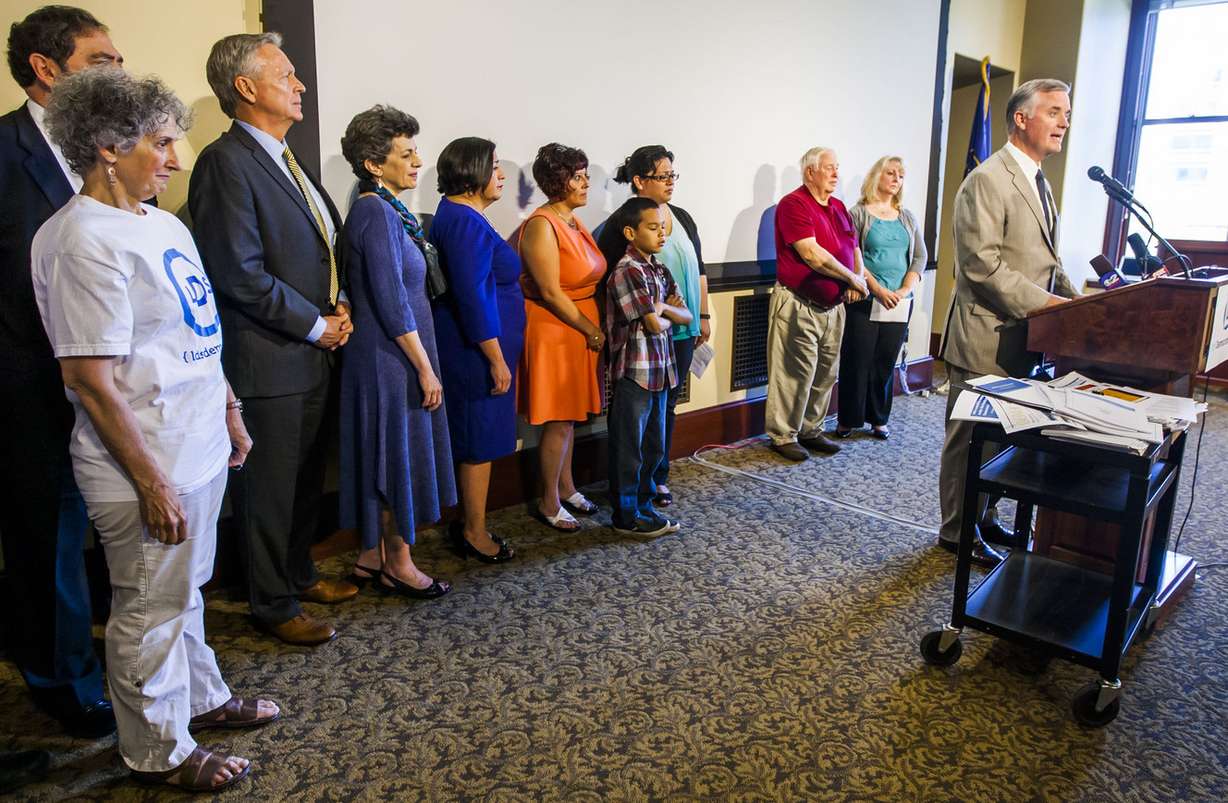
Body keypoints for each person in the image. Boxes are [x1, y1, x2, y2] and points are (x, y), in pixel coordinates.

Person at [32, 68, 279, 793]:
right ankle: (157, 748)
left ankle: (200, 697)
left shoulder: (161, 223)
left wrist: (229, 407)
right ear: (109, 146)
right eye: (163, 142)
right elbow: (89, 378)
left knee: (185, 593)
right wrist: (151, 482)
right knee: (148, 611)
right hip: (145, 463)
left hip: (196, 443)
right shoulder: (81, 240)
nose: (175, 157)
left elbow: (196, 333)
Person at [189, 32, 357, 645]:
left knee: (304, 477)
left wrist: (339, 305)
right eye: (285, 74)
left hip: (312, 351)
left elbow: (318, 249)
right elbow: (238, 271)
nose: (300, 83)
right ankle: (272, 603)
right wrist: (316, 325)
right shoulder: (224, 162)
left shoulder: (286, 156)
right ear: (245, 87)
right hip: (269, 357)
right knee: (269, 488)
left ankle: (297, 571)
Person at [0, 4, 122, 739]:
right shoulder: (3, 151)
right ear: (48, 68)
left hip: (118, 380)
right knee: (46, 537)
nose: (119, 71)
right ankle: (60, 682)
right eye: (101, 60)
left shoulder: (112, 149)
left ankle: (99, 655)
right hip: (30, 386)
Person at [938, 78, 1078, 566]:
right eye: (1055, 111)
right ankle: (957, 531)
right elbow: (982, 266)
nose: (1064, 121)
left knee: (1003, 437)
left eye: (1066, 112)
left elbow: (1048, 262)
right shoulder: (987, 179)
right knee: (971, 441)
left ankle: (986, 515)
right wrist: (1050, 308)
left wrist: (1078, 306)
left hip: (1024, 336)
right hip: (984, 337)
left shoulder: (1039, 181)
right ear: (1022, 118)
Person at [338, 106, 456, 597]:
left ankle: (373, 554)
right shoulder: (373, 210)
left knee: (388, 454)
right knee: (394, 457)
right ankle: (399, 564)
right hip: (390, 358)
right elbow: (391, 302)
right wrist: (426, 370)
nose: (417, 161)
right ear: (373, 163)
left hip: (393, 353)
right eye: (406, 154)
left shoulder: (387, 210)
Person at [597, 145, 709, 508]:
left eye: (673, 175)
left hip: (677, 335)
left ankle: (656, 478)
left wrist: (700, 316)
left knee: (666, 407)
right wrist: (664, 309)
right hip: (639, 345)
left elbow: (699, 271)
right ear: (639, 180)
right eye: (663, 176)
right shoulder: (620, 229)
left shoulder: (683, 218)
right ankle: (631, 494)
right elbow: (623, 293)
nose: (670, 182)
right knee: (634, 418)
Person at [428, 136, 522, 563]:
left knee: (478, 440)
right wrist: (496, 358)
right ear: (472, 172)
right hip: (475, 353)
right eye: (494, 166)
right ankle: (473, 531)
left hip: (480, 349)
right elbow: (473, 296)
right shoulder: (463, 221)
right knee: (477, 443)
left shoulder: (466, 216)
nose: (501, 175)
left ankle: (473, 523)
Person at [514, 143, 606, 531]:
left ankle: (566, 487)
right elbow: (549, 291)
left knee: (570, 419)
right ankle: (548, 501)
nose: (585, 183)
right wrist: (589, 329)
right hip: (556, 328)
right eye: (577, 176)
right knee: (558, 420)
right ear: (557, 181)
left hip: (577, 324)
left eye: (585, 175)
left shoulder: (569, 219)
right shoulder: (542, 223)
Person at [766, 147, 868, 462]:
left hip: (834, 306)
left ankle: (811, 429)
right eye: (829, 168)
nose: (836, 173)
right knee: (794, 374)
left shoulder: (838, 206)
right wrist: (851, 278)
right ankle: (784, 435)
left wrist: (858, 281)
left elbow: (854, 247)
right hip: (799, 302)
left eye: (837, 167)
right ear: (811, 171)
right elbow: (811, 254)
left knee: (825, 372)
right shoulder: (793, 204)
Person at [604, 197, 692, 535]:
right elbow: (653, 326)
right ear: (631, 231)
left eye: (663, 228)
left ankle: (643, 507)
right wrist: (662, 311)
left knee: (653, 445)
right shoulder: (627, 270)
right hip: (635, 372)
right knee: (630, 448)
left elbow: (684, 315)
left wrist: (662, 308)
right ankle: (625, 516)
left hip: (661, 369)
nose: (661, 235)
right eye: (653, 228)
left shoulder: (659, 268)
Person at [839, 156, 926, 440]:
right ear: (876, 175)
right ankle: (848, 420)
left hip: (899, 302)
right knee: (858, 359)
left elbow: (919, 257)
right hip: (866, 298)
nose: (896, 178)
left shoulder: (907, 216)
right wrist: (877, 288)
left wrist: (902, 290)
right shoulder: (858, 213)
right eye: (890, 173)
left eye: (901, 175)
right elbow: (855, 255)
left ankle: (878, 419)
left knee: (885, 361)